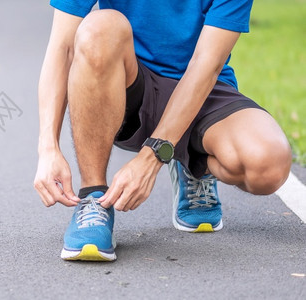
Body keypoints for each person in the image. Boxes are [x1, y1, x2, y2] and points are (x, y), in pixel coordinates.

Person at [33, 0, 292, 261]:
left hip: (201, 86)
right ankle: (93, 197)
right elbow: (62, 47)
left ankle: (192, 163)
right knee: (99, 27)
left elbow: (207, 63)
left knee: (268, 165)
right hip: (130, 83)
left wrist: (155, 155)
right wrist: (48, 147)